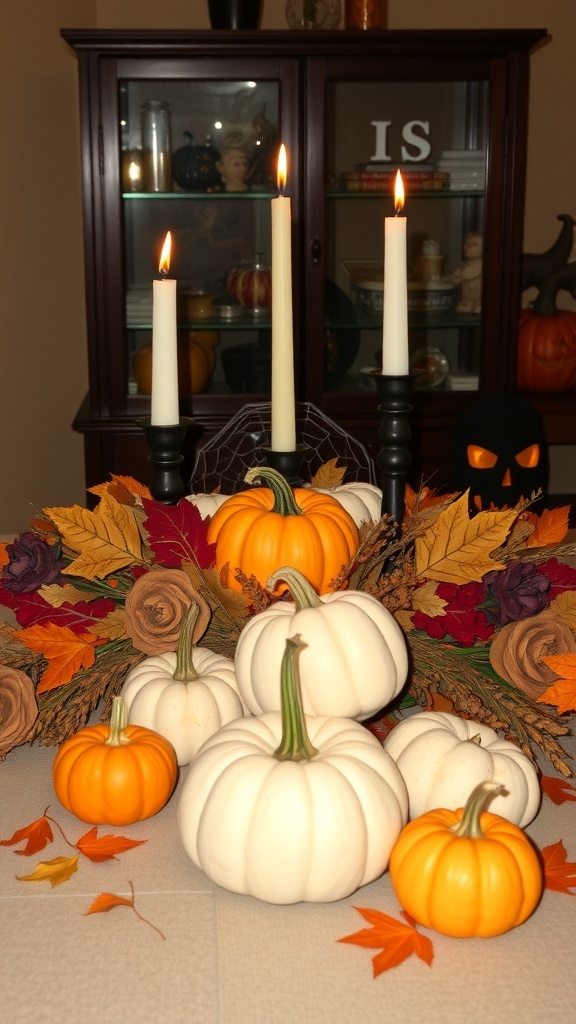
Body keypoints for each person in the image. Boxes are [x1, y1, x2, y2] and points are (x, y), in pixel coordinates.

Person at [450, 231, 483, 313]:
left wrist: (460, 274)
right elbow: (455, 281)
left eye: (473, 245)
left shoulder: (481, 266)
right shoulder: (463, 267)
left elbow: (466, 275)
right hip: (467, 301)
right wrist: (454, 277)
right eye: (467, 244)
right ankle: (468, 304)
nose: (468, 247)